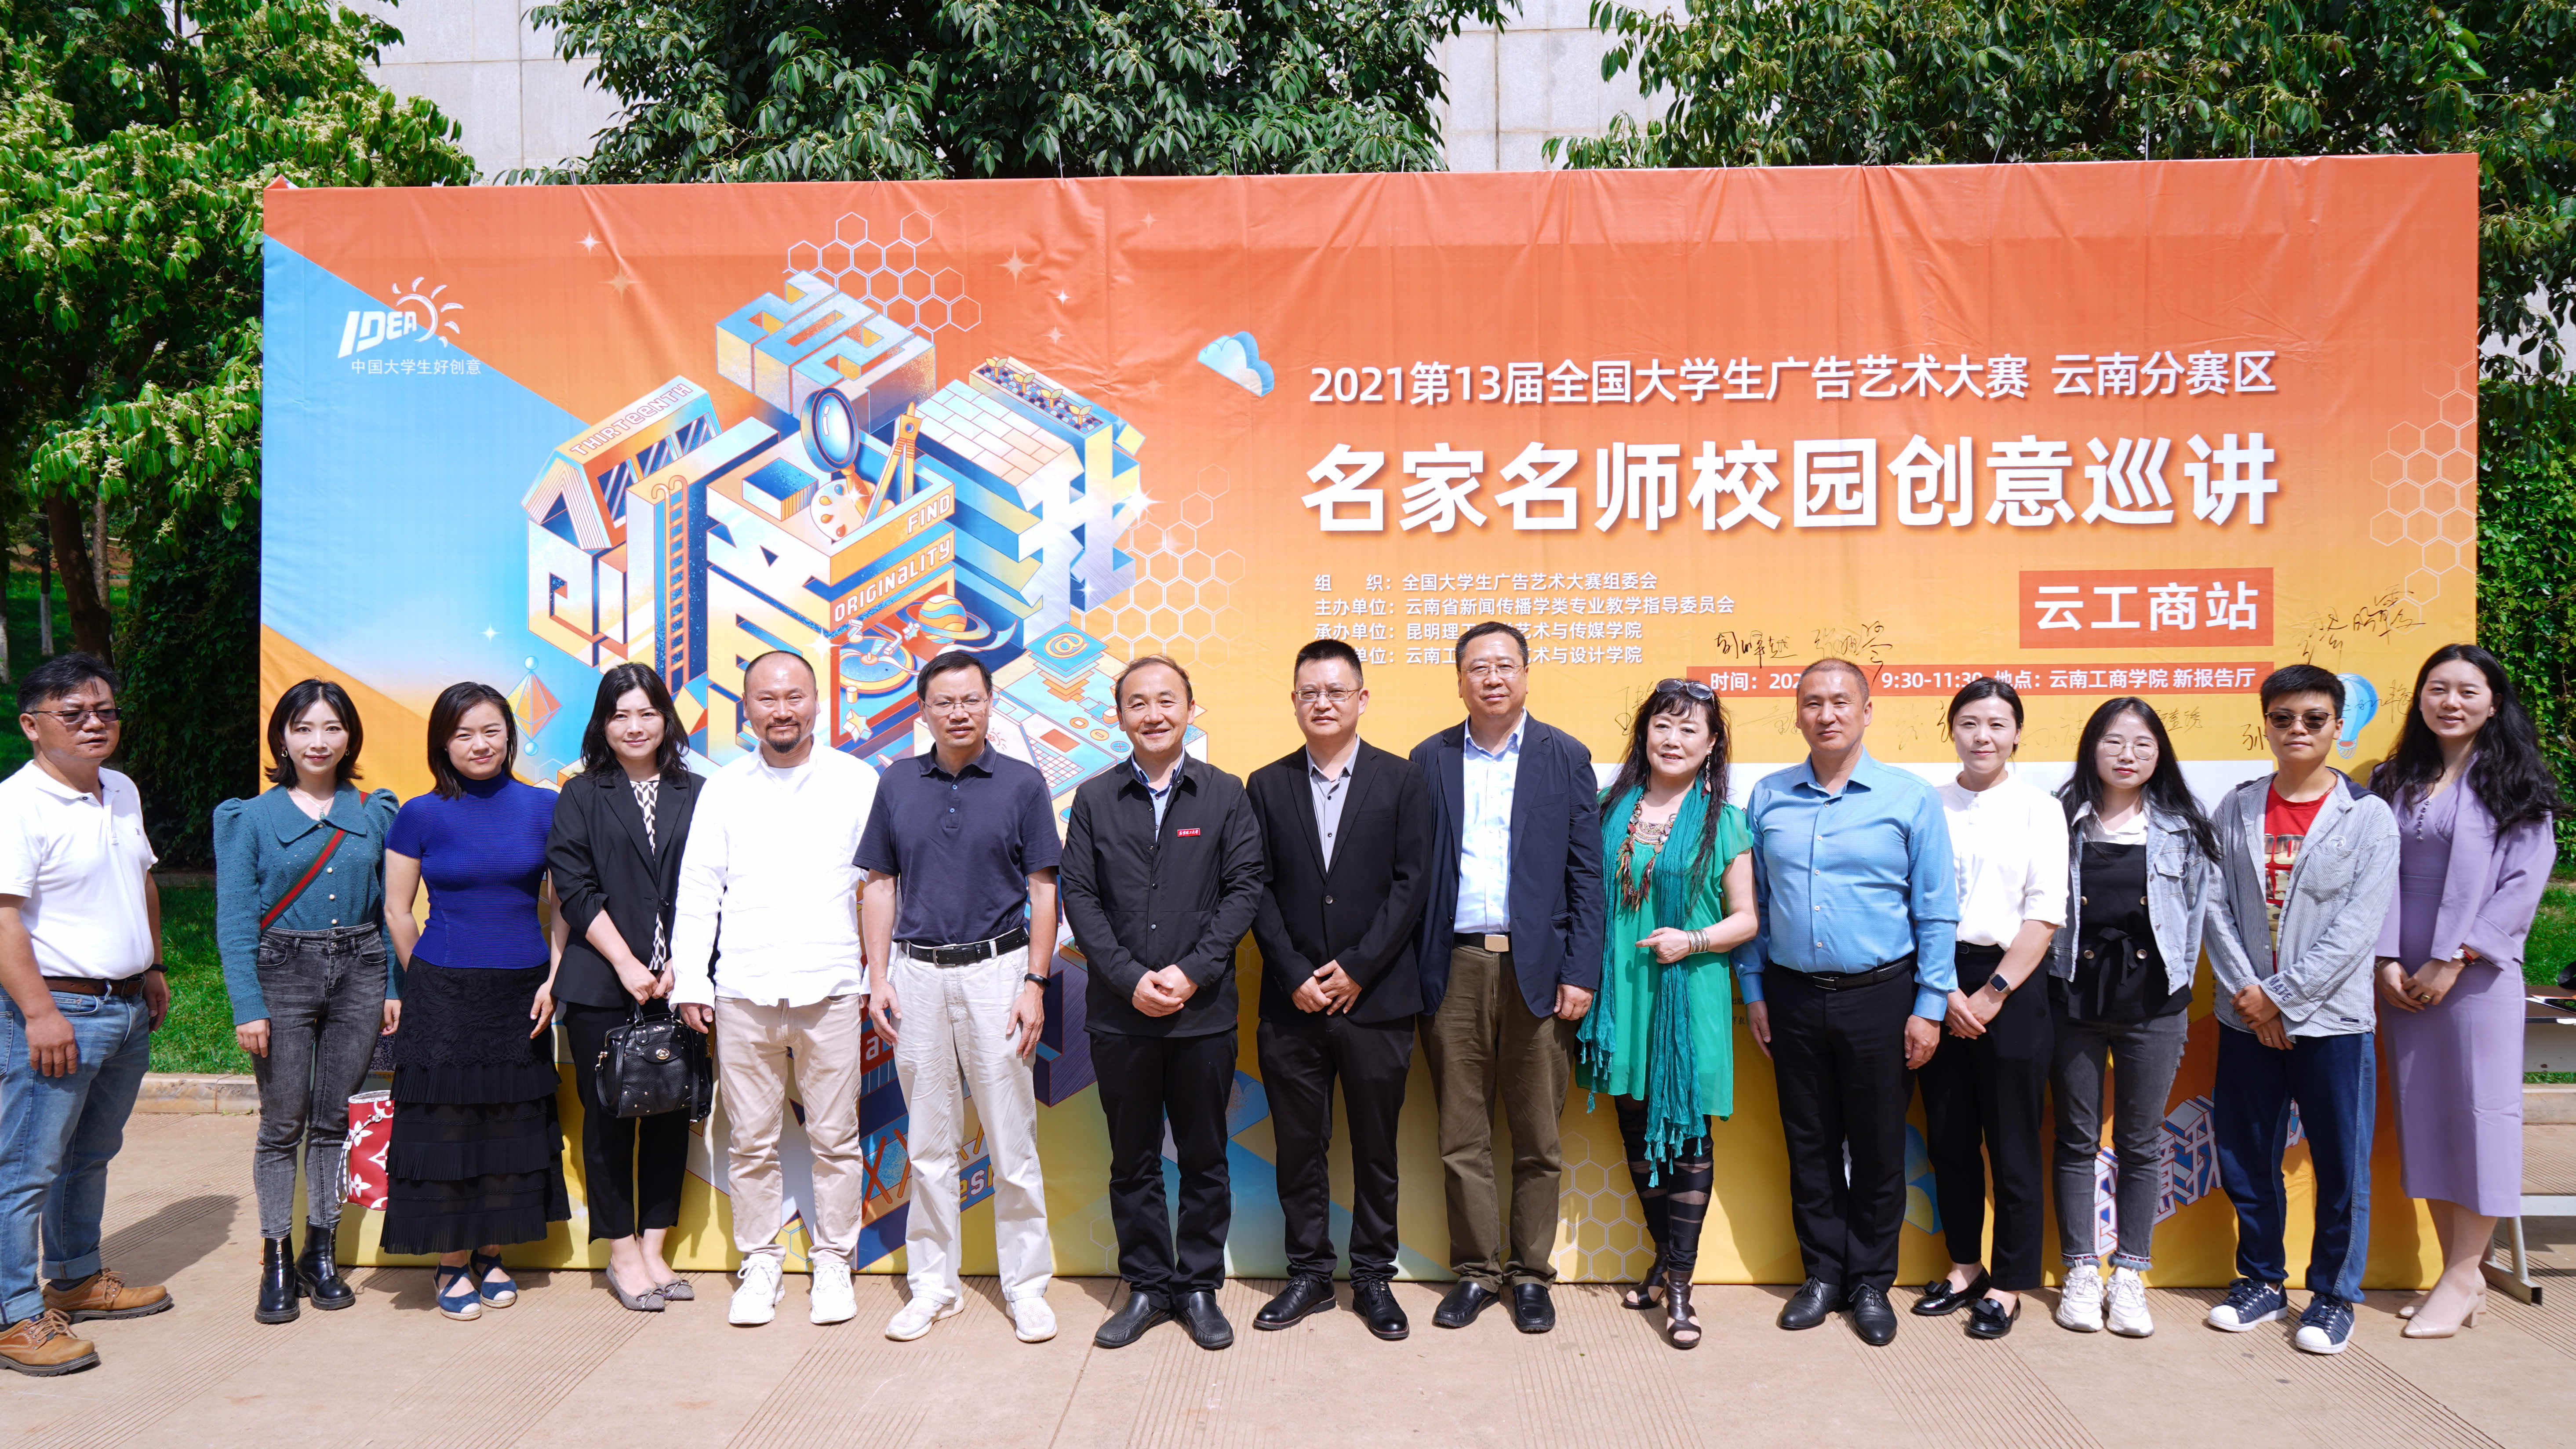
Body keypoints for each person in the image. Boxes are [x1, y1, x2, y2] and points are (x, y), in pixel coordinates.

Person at [1741, 659, 1956, 1348]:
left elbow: (1936, 909)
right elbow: (1756, 903)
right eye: (1813, 703)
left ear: (1867, 711)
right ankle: (1823, 1276)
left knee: (1878, 1144)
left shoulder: (1908, 798)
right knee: (1808, 1142)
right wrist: (1754, 990)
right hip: (1793, 995)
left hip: (1882, 997)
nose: (1826, 714)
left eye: (1840, 701)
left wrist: (1930, 1004)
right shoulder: (1769, 796)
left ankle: (1869, 1282)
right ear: (1797, 714)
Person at [669, 650, 878, 1329]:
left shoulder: (857, 781)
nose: (782, 710)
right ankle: (760, 1261)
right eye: (767, 699)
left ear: (817, 702)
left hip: (833, 988)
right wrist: (692, 979)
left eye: (794, 697)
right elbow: (699, 889)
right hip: (743, 992)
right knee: (751, 1142)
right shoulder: (725, 787)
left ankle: (834, 1261)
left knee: (836, 1139)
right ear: (747, 709)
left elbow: (884, 886)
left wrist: (880, 977)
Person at [1061, 656, 1264, 1351]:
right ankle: (1148, 1286)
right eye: (1139, 703)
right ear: (1119, 716)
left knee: (1205, 1156)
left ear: (1190, 708)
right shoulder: (1094, 798)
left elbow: (1244, 889)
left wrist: (1192, 973)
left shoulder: (1225, 794)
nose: (1154, 714)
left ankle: (1199, 1287)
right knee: (1134, 1160)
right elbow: (1080, 896)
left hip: (1202, 1014)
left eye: (1167, 700)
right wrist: (1129, 978)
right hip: (1121, 1016)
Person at [860, 649, 1062, 1345]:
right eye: (943, 702)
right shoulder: (897, 782)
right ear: (923, 711)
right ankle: (933, 1287)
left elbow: (1044, 890)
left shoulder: (1023, 784)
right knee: (928, 1144)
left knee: (1012, 1143)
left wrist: (1034, 982)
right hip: (916, 975)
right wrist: (879, 977)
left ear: (990, 704)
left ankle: (1027, 1289)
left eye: (970, 700)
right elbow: (879, 884)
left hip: (998, 973)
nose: (958, 713)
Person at [1410, 621, 1604, 1335]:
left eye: (1505, 665)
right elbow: (1412, 873)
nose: (1492, 678)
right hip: (1453, 965)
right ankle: (1475, 1272)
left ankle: (1529, 1276)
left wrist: (1581, 971)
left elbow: (1587, 875)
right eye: (1478, 667)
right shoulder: (1428, 758)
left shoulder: (1565, 755)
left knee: (1537, 1138)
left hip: (1540, 969)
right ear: (1460, 680)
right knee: (1460, 1135)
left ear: (1526, 673)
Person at [2200, 665, 2399, 1355]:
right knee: (2246, 1154)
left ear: (2338, 726)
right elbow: (2214, 907)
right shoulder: (2237, 808)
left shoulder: (2367, 816)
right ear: (2266, 724)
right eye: (2283, 718)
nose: (2298, 730)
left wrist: (2281, 997)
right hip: (2245, 1018)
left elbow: (2358, 928)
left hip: (2333, 1023)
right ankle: (2261, 1280)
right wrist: (2254, 1000)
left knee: (2340, 1164)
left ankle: (2334, 1295)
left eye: (2314, 719)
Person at [2370, 643, 2561, 1339]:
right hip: (2404, 981)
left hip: (2477, 978)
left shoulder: (2516, 783)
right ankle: (2460, 1274)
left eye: (2468, 691)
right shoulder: (2395, 778)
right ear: (2420, 697)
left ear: (2494, 703)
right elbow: (2375, 870)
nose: (2451, 702)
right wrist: (2385, 958)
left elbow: (2523, 885)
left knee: (2480, 1118)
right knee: (2424, 1115)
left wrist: (2455, 958)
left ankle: (2463, 1274)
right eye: (2438, 688)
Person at [1247, 640, 1434, 1342]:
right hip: (1291, 1004)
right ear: (1294, 702)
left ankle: (1375, 1276)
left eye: (1335, 691)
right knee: (1300, 1145)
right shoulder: (1266, 785)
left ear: (1362, 698)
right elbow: (1256, 887)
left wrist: (1358, 967)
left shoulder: (1403, 779)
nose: (1322, 703)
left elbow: (1412, 885)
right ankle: (1309, 1274)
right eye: (1310, 692)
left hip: (1376, 999)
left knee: (1377, 1146)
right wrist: (1294, 972)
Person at [1573, 678, 1757, 1350]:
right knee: (1635, 1124)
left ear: (1711, 746)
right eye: (1663, 726)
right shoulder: (1605, 811)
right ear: (1643, 733)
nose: (1673, 740)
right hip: (1622, 993)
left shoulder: (1723, 821)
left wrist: (1693, 940)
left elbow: (1746, 919)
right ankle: (1662, 1262)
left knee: (1687, 1134)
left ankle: (1680, 1286)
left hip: (1689, 994)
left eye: (1689, 730)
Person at [0, 655, 169, 1377]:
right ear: (32, 725)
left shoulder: (120, 789)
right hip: (57, 1009)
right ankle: (12, 1316)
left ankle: (74, 1277)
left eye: (105, 711)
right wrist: (39, 1013)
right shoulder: (17, 805)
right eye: (74, 714)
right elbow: (4, 919)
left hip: (125, 1005)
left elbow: (143, 881)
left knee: (89, 1154)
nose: (95, 724)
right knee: (25, 1167)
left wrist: (153, 965)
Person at [380, 681, 571, 1321]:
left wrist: (554, 978)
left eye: (490, 731)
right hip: (444, 991)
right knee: (449, 1127)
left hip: (523, 991)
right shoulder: (420, 813)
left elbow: (564, 905)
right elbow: (397, 910)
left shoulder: (544, 806)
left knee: (509, 1126)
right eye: (462, 734)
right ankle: (450, 1262)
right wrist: (428, 980)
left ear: (510, 735)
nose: (479, 744)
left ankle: (492, 1254)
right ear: (442, 743)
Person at [212, 679, 400, 1325]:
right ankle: (276, 1256)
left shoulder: (375, 812)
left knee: (334, 1120)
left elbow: (388, 909)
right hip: (281, 973)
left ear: (350, 737)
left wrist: (393, 988)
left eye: (332, 728)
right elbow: (235, 920)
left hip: (362, 971)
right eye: (304, 728)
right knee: (281, 1122)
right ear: (283, 739)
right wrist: (247, 1005)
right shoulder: (248, 818)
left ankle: (321, 1252)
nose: (319, 741)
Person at [2047, 695, 2235, 1340]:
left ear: (2160, 755)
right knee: (2075, 1139)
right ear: (2091, 749)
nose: (2128, 756)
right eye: (2114, 742)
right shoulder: (2060, 819)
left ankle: (2129, 1273)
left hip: (2154, 1005)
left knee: (2140, 1142)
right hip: (2073, 999)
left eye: (2143, 744)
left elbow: (2207, 914)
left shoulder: (2186, 828)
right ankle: (2080, 1270)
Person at [547, 664, 704, 1313]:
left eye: (646, 713)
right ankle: (621, 1252)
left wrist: (682, 966)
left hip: (681, 984)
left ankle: (656, 1248)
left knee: (671, 1114)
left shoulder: (699, 793)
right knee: (609, 1116)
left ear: (666, 719)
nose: (635, 727)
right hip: (601, 984)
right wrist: (628, 965)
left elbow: (713, 884)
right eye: (620, 715)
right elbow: (574, 888)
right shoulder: (581, 794)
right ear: (602, 725)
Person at [1914, 678, 2064, 1340]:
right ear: (1952, 729)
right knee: (1949, 1137)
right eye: (1970, 723)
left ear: (2017, 734)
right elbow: (1910, 900)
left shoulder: (2041, 809)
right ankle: (1964, 1267)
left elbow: (2045, 912)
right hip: (1937, 981)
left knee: (2012, 1143)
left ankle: (2009, 1282)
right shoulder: (1927, 804)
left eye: (1998, 725)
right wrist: (1944, 990)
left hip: (2014, 985)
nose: (1983, 736)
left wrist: (1991, 993)